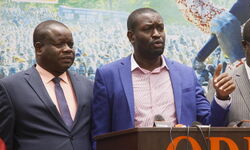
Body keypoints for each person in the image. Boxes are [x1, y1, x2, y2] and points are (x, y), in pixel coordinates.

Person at [92, 8, 235, 140]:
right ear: (131, 36)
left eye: (160, 28)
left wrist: (221, 98)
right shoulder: (108, 75)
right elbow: (100, 134)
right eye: (148, 29)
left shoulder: (186, 75)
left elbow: (210, 123)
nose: (156, 34)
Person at [0, 20, 93, 150]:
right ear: (39, 48)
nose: (68, 49)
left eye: (70, 45)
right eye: (59, 44)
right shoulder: (10, 88)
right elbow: (4, 140)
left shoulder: (88, 86)